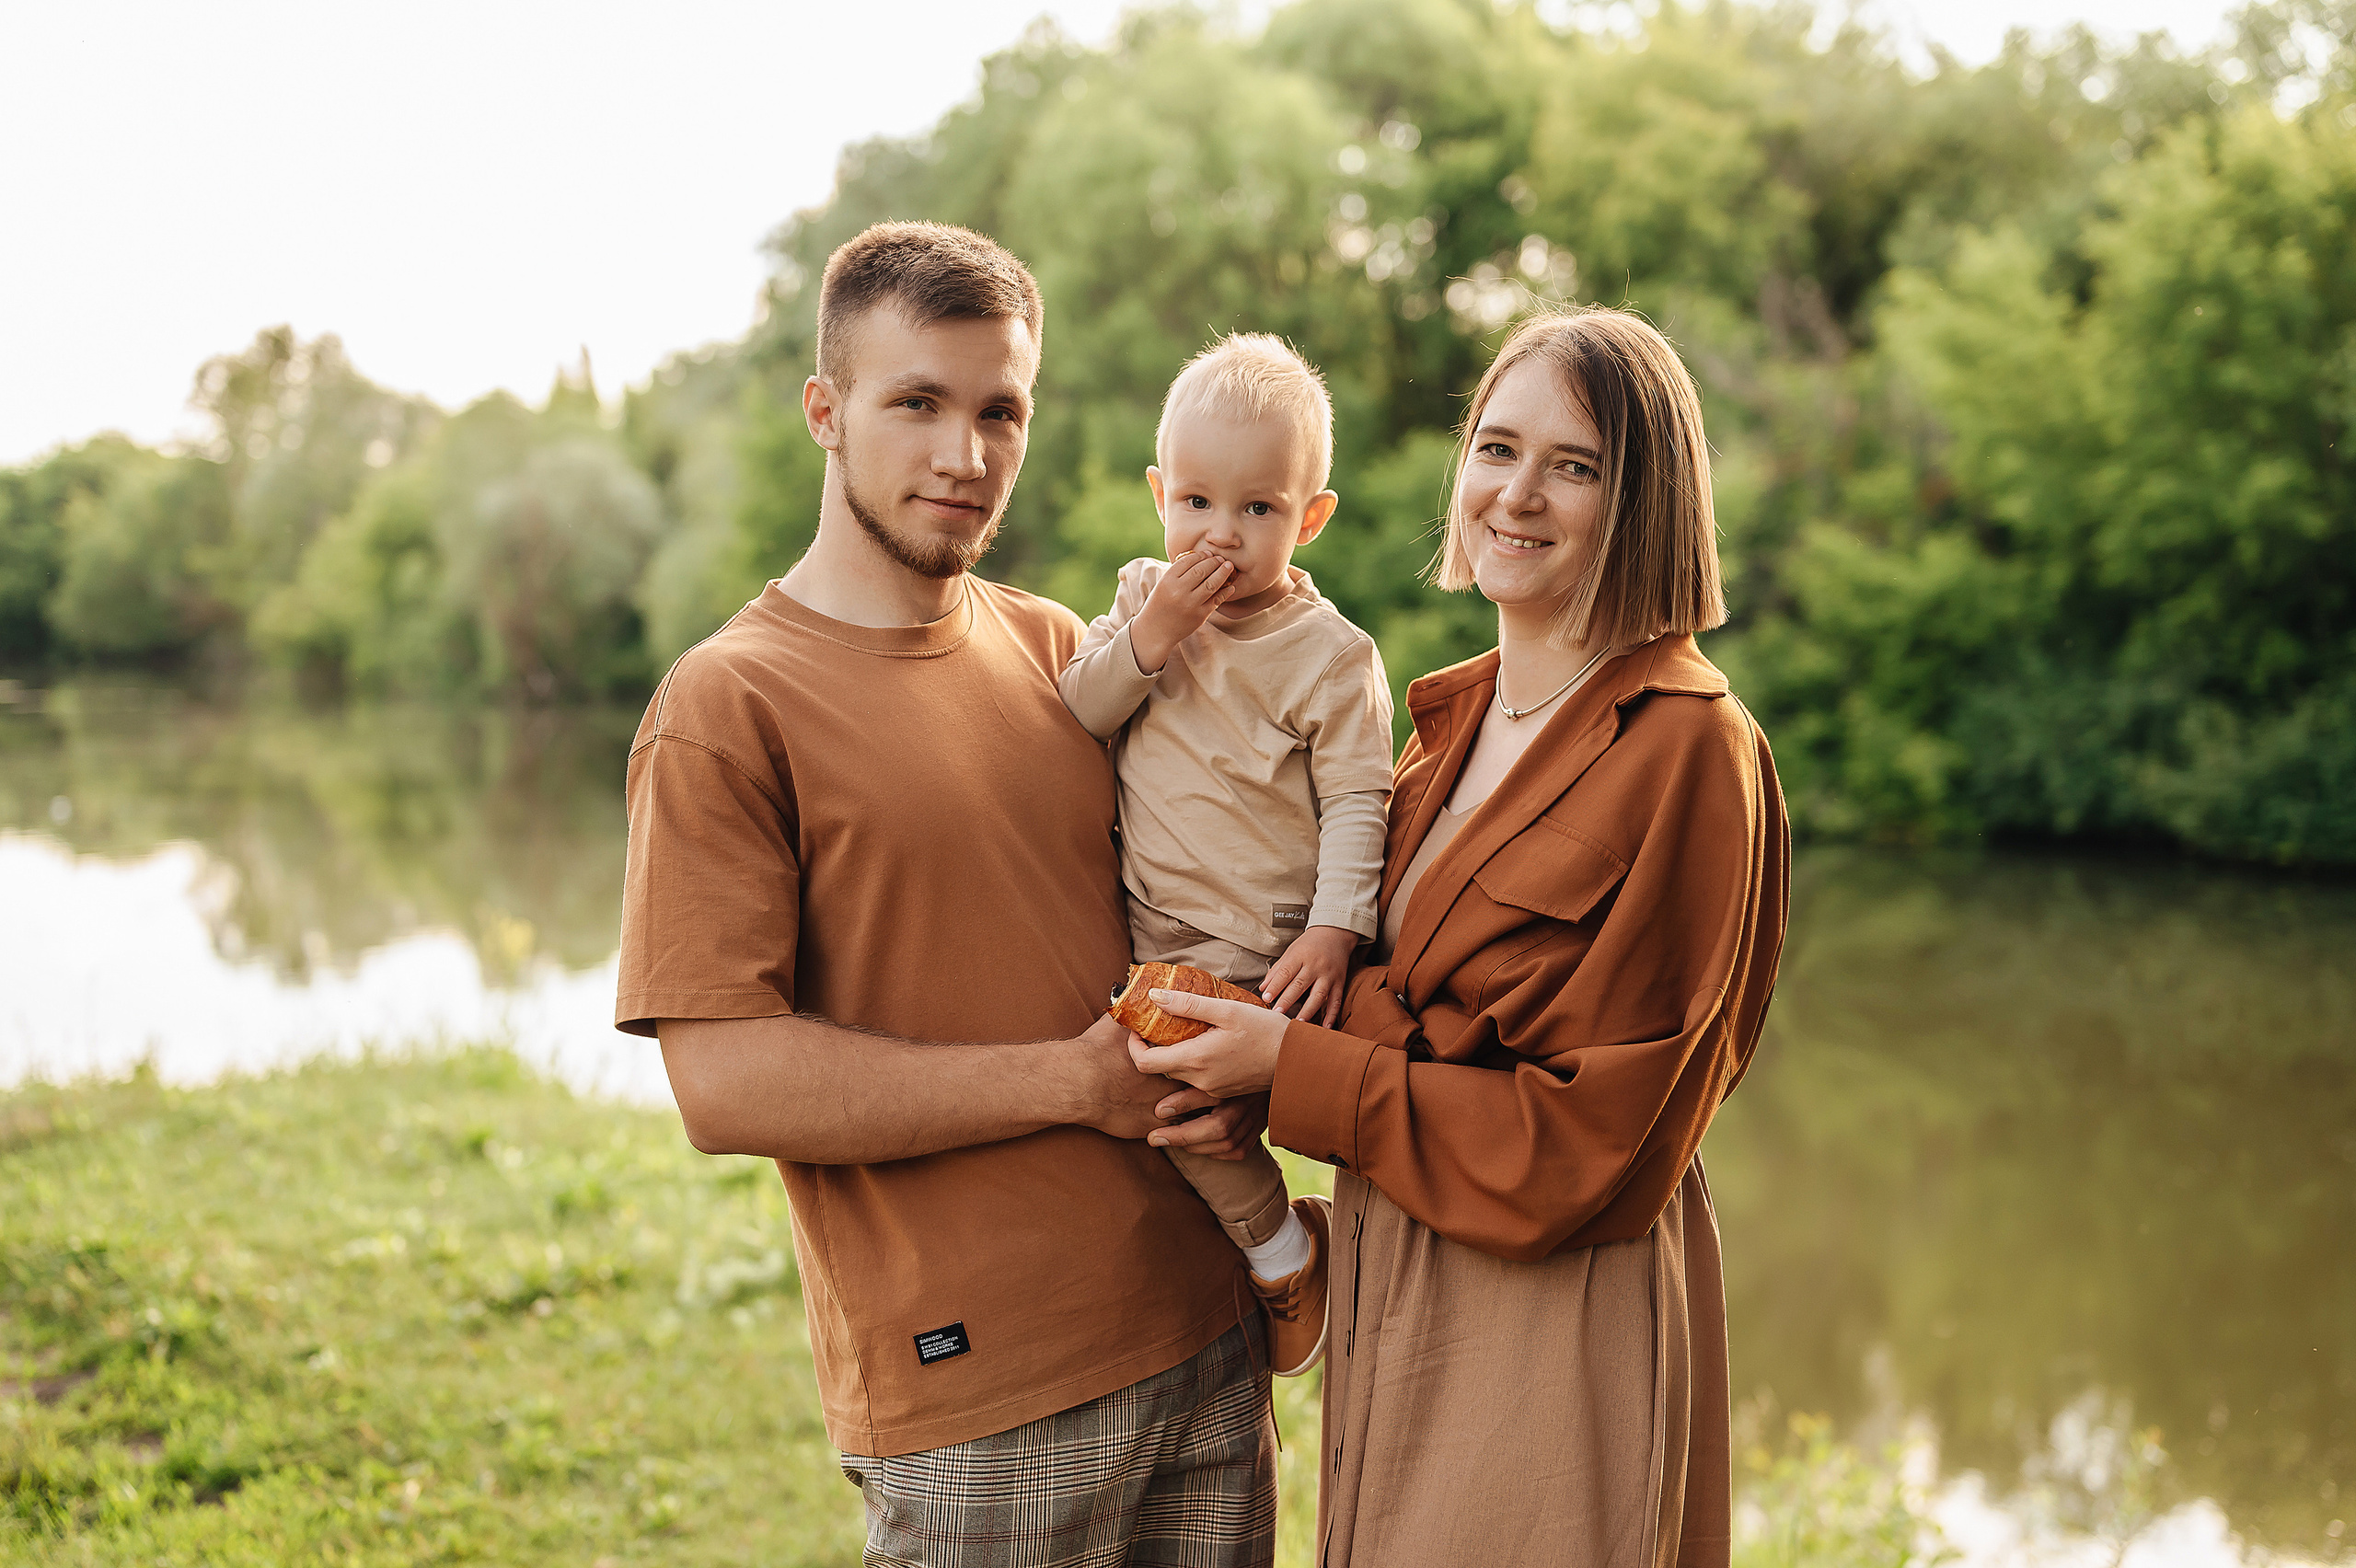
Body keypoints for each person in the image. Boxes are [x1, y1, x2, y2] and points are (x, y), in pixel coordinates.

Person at [616, 222, 1277, 1566]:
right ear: (825, 411)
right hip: (979, 1407)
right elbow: (723, 1083)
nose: (963, 456)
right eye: (915, 402)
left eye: (998, 411)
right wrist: (1066, 1082)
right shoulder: (727, 704)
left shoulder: (1066, 652)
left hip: (1208, 1344)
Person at [1123, 306, 1790, 1566]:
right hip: (1398, 1272)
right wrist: (1247, 1059)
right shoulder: (1446, 729)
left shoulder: (1690, 748)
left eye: (1575, 466)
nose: (1517, 495)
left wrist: (1292, 1068)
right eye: (1496, 449)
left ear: (1645, 501)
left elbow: (1597, 1140)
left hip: (1552, 1306)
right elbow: (1398, 1014)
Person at [1057, 333, 1395, 1377]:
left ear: (1311, 518)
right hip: (1150, 924)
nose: (1222, 536)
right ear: (1160, 494)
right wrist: (1151, 635)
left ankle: (1284, 1257)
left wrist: (1338, 929)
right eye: (1196, 504)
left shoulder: (1331, 656)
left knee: (1189, 1109)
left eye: (1259, 511)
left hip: (1264, 943)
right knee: (1166, 1104)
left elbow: (1356, 798)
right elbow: (1081, 708)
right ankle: (1268, 1250)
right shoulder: (1141, 602)